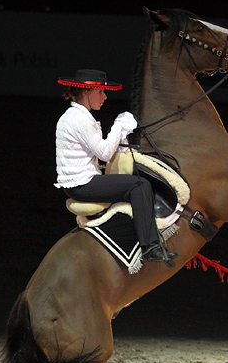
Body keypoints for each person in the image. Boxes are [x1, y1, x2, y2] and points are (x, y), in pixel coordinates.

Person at [54, 69, 176, 264]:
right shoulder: (79, 119)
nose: (105, 97)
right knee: (140, 185)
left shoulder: (75, 116)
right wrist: (119, 127)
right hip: (82, 185)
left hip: (82, 181)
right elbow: (104, 153)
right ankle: (149, 246)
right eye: (100, 92)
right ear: (87, 92)